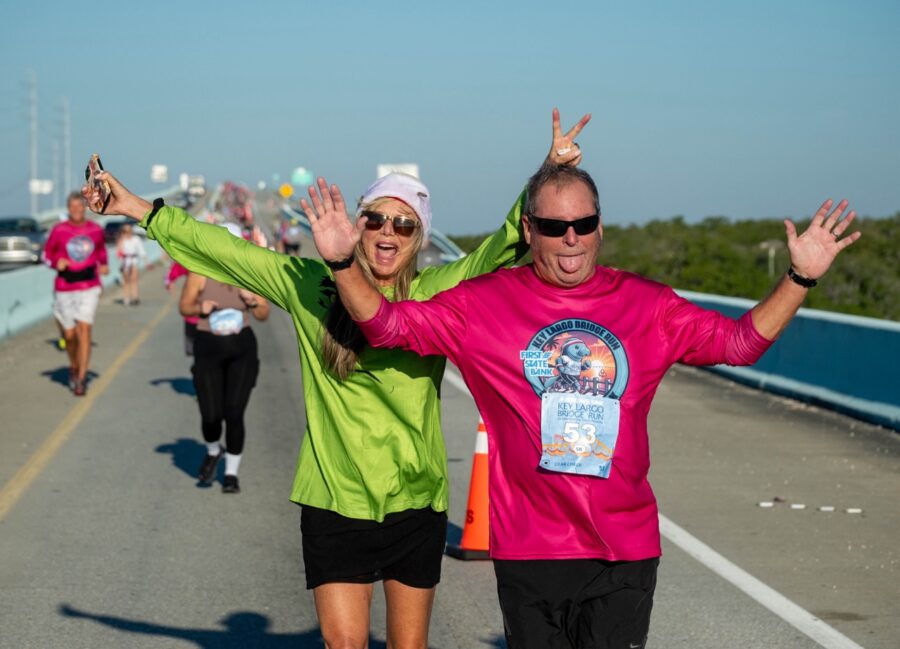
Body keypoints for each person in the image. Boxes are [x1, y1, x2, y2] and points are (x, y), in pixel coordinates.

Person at [83, 109, 590, 649]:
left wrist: (547, 172)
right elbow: (220, 249)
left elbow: (506, 242)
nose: (388, 233)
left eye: (405, 224)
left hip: (413, 500)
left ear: (419, 237)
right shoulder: (308, 285)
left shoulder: (437, 292)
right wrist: (134, 206)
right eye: (376, 219)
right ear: (357, 224)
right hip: (334, 499)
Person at [308, 163, 861, 649]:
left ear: (600, 224)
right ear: (529, 229)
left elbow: (740, 344)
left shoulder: (648, 304)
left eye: (584, 224)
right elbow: (385, 325)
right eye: (553, 227)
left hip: (625, 549)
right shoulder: (484, 304)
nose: (570, 239)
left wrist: (800, 277)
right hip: (531, 549)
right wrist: (341, 264)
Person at [179, 225, 270, 494]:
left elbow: (264, 314)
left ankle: (230, 474)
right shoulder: (200, 270)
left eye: (230, 242)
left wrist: (252, 302)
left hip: (242, 348)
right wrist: (199, 308)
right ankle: (212, 449)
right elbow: (184, 306)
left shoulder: (248, 272)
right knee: (210, 415)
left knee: (234, 413)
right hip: (207, 347)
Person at [43, 191, 109, 396]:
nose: (77, 211)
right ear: (68, 209)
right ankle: (74, 365)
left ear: (85, 208)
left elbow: (101, 253)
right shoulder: (59, 230)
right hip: (65, 286)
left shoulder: (95, 230)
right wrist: (56, 263)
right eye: (73, 207)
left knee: (85, 329)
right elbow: (45, 255)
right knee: (70, 335)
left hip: (89, 285)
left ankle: (81, 377)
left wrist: (104, 266)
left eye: (80, 207)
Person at [116, 223, 147, 305]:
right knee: (126, 281)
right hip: (125, 261)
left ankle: (135, 297)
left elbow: (141, 250)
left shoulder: (136, 239)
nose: (128, 233)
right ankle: (126, 298)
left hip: (134, 260)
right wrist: (122, 239)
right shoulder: (122, 240)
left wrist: (146, 262)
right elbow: (119, 251)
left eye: (129, 231)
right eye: (125, 231)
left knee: (134, 279)